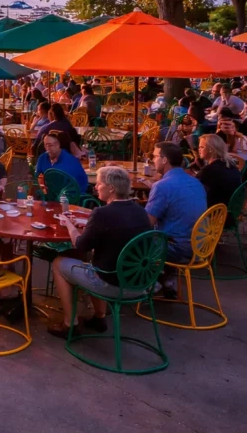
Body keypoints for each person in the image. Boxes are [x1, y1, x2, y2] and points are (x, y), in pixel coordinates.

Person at [48, 166, 152, 338]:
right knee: (90, 260)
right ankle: (99, 317)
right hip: (140, 283)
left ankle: (69, 324)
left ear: (111, 188)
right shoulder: (140, 211)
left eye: (99, 184)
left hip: (113, 285)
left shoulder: (102, 213)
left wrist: (68, 223)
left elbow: (80, 245)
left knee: (59, 263)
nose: (95, 187)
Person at [146, 142, 207, 293]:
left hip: (177, 249)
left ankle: (139, 286)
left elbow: (146, 223)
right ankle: (165, 280)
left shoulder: (162, 186)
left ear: (164, 160)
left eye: (154, 156)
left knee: (128, 237)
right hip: (201, 246)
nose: (153, 160)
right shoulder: (195, 182)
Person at [194, 134, 242, 226]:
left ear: (211, 149)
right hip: (231, 213)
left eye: (202, 147)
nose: (198, 149)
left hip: (215, 215)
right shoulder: (231, 165)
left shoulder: (209, 171)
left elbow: (192, 190)